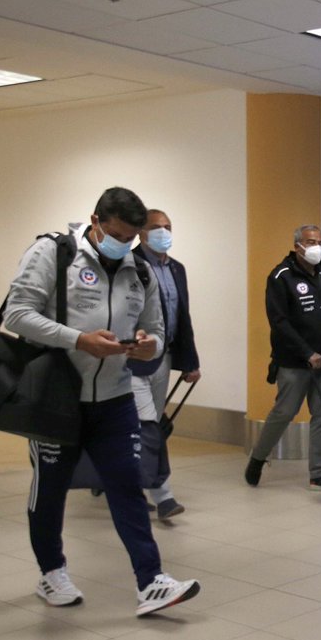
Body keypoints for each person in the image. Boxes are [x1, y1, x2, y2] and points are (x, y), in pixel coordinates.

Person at [5, 186, 200, 616]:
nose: (123, 245)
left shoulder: (139, 270)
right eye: (116, 235)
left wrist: (147, 346)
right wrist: (79, 340)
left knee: (128, 485)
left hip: (114, 398)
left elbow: (156, 330)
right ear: (95, 222)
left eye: (131, 239)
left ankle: (151, 581)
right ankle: (51, 571)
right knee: (51, 489)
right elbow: (17, 314)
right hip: (56, 398)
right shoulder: (53, 253)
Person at [245, 225, 321, 491]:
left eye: (319, 242)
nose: (316, 247)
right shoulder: (281, 276)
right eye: (310, 242)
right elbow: (279, 322)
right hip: (293, 361)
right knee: (284, 412)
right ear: (297, 245)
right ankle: (258, 458)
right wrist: (306, 352)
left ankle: (319, 472)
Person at [130, 209, 200, 521]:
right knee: (147, 426)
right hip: (131, 359)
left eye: (168, 227)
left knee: (150, 424)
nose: (164, 232)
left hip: (164, 356)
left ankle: (123, 481)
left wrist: (190, 362)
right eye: (156, 227)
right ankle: (163, 495)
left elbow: (182, 317)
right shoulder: (129, 264)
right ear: (141, 232)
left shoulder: (176, 268)